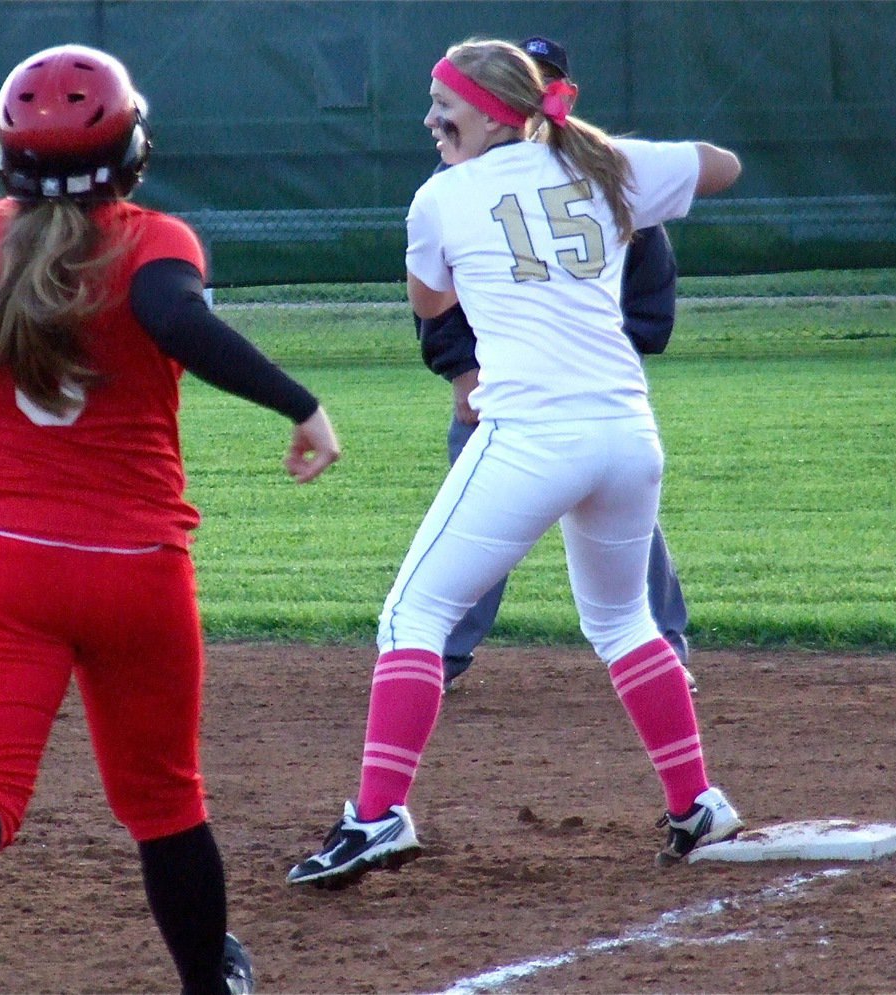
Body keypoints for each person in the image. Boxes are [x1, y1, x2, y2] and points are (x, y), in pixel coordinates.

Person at [0, 44, 339, 994]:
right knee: (165, 801)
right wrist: (299, 403)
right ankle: (210, 979)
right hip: (134, 564)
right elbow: (172, 318)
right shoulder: (153, 237)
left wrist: (0, 485)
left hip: (0, 563)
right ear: (132, 147)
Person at [288, 37, 743, 890]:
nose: (430, 119)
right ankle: (695, 804)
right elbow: (722, 164)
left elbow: (431, 300)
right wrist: (584, 149)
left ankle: (377, 815)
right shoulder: (608, 167)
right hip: (626, 433)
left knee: (410, 616)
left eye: (445, 105)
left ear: (495, 110)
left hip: (535, 433)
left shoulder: (442, 198)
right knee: (622, 624)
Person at [418, 35, 694, 693]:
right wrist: (463, 372)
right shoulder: (461, 180)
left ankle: (668, 653)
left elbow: (649, 284)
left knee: (627, 538)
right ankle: (443, 656)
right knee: (482, 531)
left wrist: (605, 347)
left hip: (579, 392)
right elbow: (436, 304)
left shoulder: (601, 174)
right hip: (504, 392)